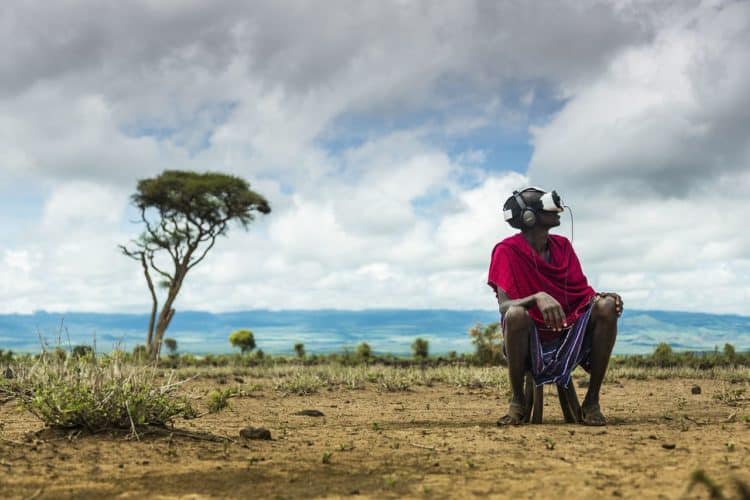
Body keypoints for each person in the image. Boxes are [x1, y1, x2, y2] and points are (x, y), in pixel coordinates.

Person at [487, 187, 622, 426]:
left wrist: (602, 300)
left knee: (607, 306)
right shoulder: (505, 251)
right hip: (530, 341)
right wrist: (536, 297)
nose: (558, 210)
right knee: (516, 314)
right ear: (529, 217)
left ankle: (592, 402)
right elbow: (505, 306)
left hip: (567, 333)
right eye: (547, 206)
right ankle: (517, 402)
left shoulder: (563, 247)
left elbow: (582, 295)